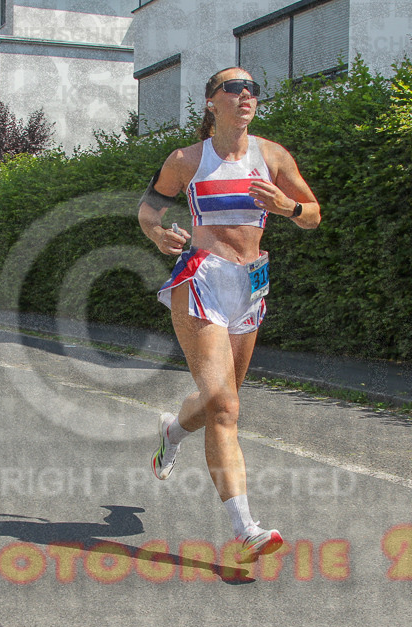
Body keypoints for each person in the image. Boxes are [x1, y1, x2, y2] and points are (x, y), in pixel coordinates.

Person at [138, 67, 321, 563]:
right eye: (233, 88)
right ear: (210, 102)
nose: (246, 96)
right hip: (200, 279)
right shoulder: (186, 161)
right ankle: (247, 530)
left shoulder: (274, 156)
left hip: (250, 284)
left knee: (221, 401)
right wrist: (158, 235)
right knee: (225, 407)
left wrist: (287, 207)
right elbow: (148, 212)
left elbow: (313, 213)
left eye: (253, 89)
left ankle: (172, 431)